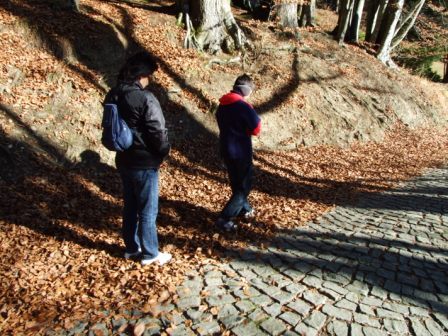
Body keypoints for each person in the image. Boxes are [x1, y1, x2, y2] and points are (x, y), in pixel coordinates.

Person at [104, 52, 172, 266]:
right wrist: (162, 152)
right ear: (142, 75)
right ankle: (151, 253)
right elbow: (157, 131)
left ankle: (132, 248)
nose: (149, 80)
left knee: (130, 207)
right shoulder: (145, 98)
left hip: (123, 158)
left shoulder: (113, 94)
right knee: (148, 210)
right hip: (144, 161)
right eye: (149, 76)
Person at [215, 74, 261, 232]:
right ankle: (225, 218)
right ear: (246, 90)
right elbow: (256, 129)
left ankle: (244, 209)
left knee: (236, 182)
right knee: (244, 187)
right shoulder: (243, 107)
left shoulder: (222, 104)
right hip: (241, 151)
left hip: (225, 148)